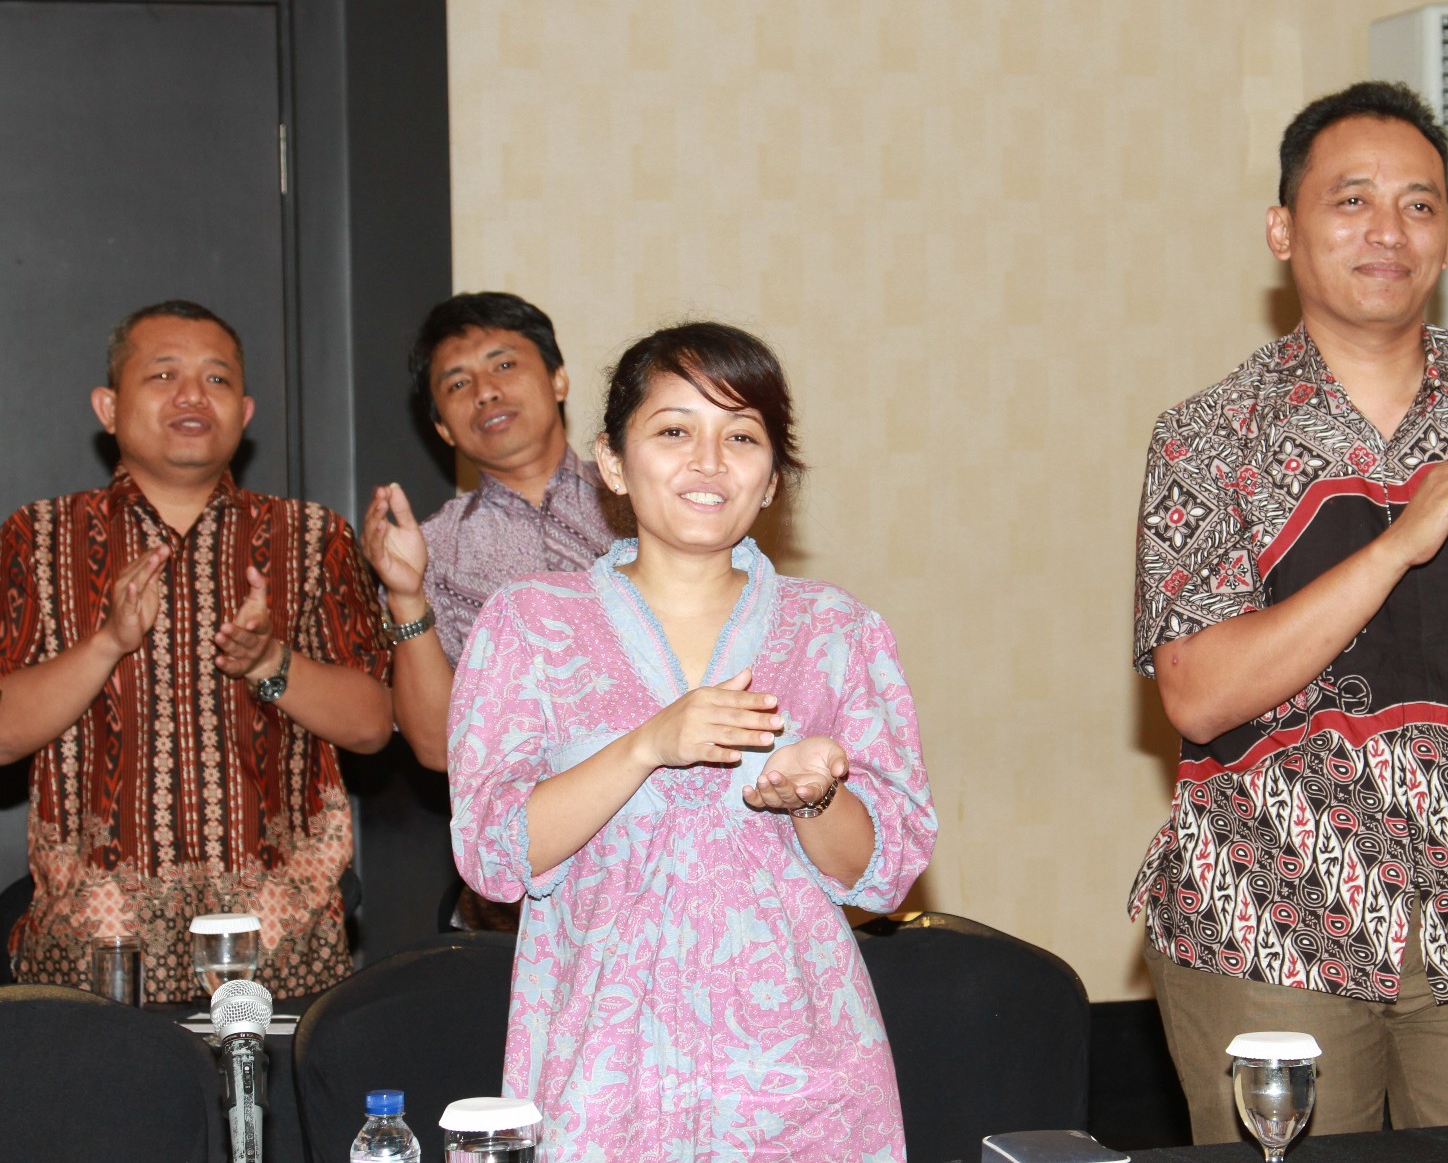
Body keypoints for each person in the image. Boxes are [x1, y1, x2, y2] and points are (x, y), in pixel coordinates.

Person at [1130, 82, 1448, 1138]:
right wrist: (1399, 545)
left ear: (1444, 237)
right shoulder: (1207, 435)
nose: (1387, 232)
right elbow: (1199, 694)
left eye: (1418, 204)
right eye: (1351, 200)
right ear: (1283, 230)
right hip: (1263, 915)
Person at [450, 321, 935, 1161]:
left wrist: (815, 795)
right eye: (674, 431)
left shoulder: (836, 632)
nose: (709, 462)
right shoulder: (530, 624)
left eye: (741, 436)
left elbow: (885, 875)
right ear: (612, 461)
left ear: (772, 478)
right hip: (604, 1080)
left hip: (800, 1082)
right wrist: (646, 744)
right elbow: (493, 852)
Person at [0, 300, 393, 1000]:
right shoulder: (40, 535)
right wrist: (107, 644)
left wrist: (271, 662)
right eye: (163, 375)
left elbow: (372, 725)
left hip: (282, 952)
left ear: (244, 413)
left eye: (216, 379)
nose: (192, 395)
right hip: (96, 957)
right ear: (108, 406)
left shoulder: (310, 536)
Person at [361, 292, 623, 773]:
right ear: (443, 429)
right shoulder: (429, 552)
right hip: (530, 811)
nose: (484, 392)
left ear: (558, 379)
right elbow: (438, 749)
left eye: (504, 365)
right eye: (458, 383)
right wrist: (406, 596)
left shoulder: (642, 499)